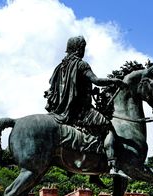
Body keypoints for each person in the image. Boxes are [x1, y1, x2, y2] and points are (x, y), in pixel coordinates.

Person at [44, 35, 129, 179]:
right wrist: (114, 81)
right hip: (80, 111)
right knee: (106, 126)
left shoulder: (60, 66)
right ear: (78, 48)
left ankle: (92, 174)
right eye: (83, 47)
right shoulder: (81, 64)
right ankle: (113, 165)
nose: (83, 50)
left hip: (60, 109)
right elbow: (96, 80)